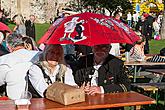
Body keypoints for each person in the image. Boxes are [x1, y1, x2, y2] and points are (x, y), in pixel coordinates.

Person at [0, 33, 40, 99]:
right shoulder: (37, 54)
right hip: (41, 98)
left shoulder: (4, 60)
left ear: (8, 47)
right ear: (23, 44)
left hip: (16, 102)